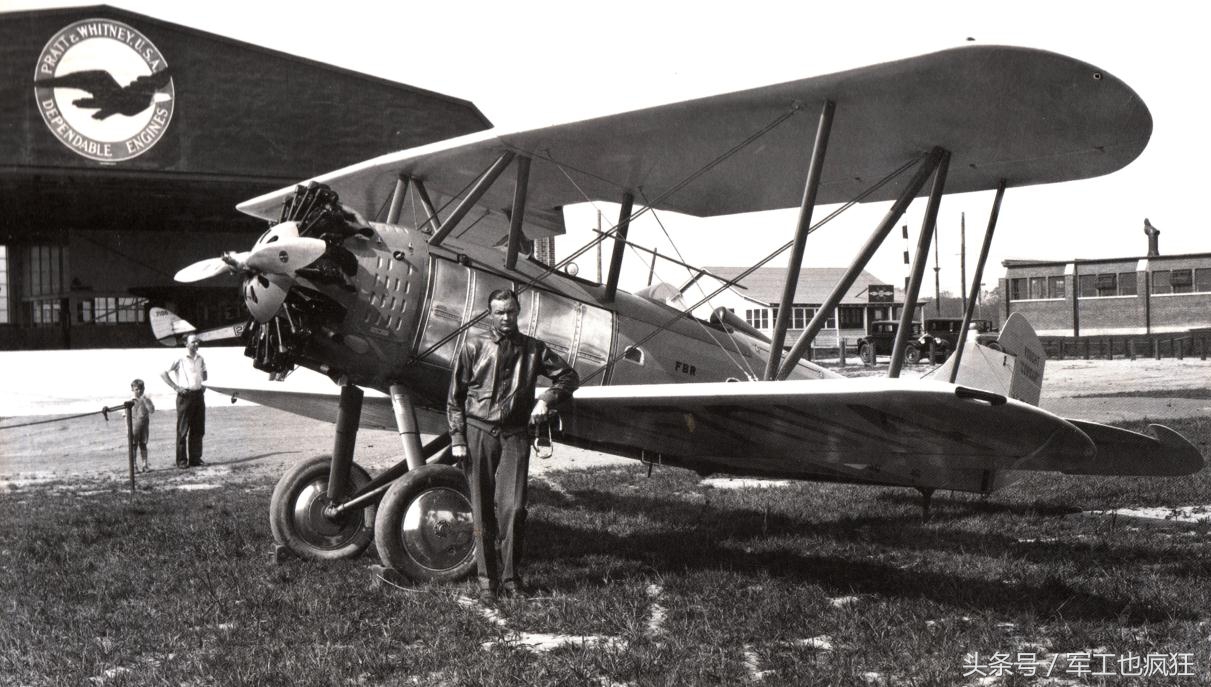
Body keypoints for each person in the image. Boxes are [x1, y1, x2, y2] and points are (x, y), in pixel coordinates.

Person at [447, 289, 579, 604]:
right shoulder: (473, 346)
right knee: (481, 509)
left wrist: (546, 399)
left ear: (518, 312)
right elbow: (455, 398)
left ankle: (510, 579)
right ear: (489, 314)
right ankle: (486, 583)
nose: (506, 317)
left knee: (515, 508)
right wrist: (458, 438)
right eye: (499, 312)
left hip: (515, 435)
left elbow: (569, 377)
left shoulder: (534, 349)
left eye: (510, 311)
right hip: (479, 432)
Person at [161, 333, 207, 469]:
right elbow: (163, 373)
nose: (196, 344)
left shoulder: (201, 358)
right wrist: (176, 387)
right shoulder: (179, 358)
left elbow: (205, 375)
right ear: (186, 344)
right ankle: (181, 461)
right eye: (193, 342)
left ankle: (195, 459)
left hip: (199, 396)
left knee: (198, 429)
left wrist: (201, 383)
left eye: (197, 341)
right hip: (185, 397)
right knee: (183, 430)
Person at [127, 379, 155, 472]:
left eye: (141, 389)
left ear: (144, 389)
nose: (139, 391)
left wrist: (146, 401)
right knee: (133, 445)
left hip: (144, 426)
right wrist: (127, 428)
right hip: (133, 426)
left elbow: (152, 410)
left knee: (143, 444)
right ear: (132, 389)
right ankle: (134, 466)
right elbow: (125, 415)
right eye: (136, 389)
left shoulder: (146, 399)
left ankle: (145, 465)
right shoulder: (129, 401)